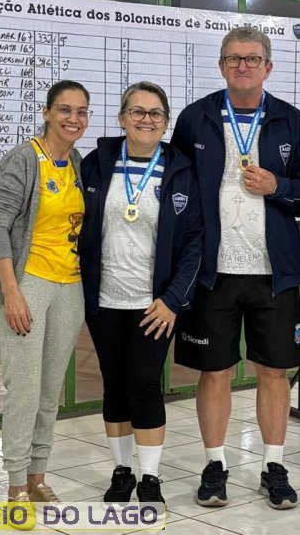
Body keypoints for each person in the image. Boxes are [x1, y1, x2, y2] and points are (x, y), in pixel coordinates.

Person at [172, 26, 300, 510]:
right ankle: (214, 465)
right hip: (212, 272)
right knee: (214, 373)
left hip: (274, 273)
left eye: (252, 58)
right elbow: (178, 189)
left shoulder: (291, 121)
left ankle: (273, 467)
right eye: (234, 58)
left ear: (268, 67)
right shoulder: (195, 119)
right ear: (221, 65)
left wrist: (278, 186)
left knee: (274, 372)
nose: (243, 66)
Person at [78, 81, 203, 509]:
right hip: (104, 301)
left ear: (166, 123)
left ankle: (150, 476)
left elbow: (195, 242)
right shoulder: (97, 164)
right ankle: (122, 470)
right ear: (122, 118)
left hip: (155, 305)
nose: (146, 119)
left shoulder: (181, 170)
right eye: (137, 111)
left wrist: (173, 299)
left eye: (155, 113)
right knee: (115, 385)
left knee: (145, 384)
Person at [0, 80, 92, 502]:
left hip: (69, 287)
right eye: (64, 109)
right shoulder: (23, 159)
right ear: (46, 112)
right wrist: (11, 292)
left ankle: (37, 476)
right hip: (26, 283)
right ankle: (15, 484)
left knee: (50, 391)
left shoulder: (77, 161)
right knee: (25, 390)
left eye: (81, 112)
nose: (73, 119)